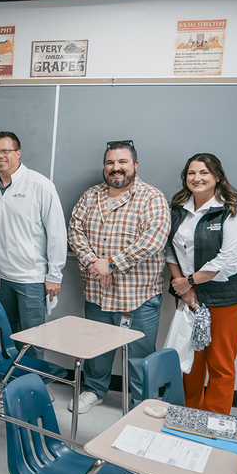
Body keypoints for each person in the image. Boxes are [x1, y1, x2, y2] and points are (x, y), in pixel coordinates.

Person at [67, 140, 169, 413]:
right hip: (97, 292)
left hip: (138, 295)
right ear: (105, 167)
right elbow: (75, 232)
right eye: (110, 163)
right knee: (96, 349)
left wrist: (111, 264)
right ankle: (94, 390)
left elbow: (153, 240)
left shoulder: (152, 197)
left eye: (122, 162)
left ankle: (141, 403)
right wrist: (94, 264)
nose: (116, 168)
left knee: (139, 354)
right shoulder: (90, 196)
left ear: (135, 165)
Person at [166, 153, 237, 414]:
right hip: (188, 295)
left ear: (217, 177)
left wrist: (188, 282)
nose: (197, 178)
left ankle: (213, 422)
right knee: (190, 361)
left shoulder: (235, 209)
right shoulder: (178, 208)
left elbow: (228, 261)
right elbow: (168, 250)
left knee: (220, 363)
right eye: (191, 173)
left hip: (226, 298)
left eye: (204, 172)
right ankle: (188, 415)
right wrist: (184, 286)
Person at [0, 131, 67, 360]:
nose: (0, 156)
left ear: (18, 153)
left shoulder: (40, 185)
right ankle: (8, 383)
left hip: (31, 277)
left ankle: (32, 385)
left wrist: (54, 274)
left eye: (6, 151)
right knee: (4, 334)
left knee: (33, 338)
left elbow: (57, 232)